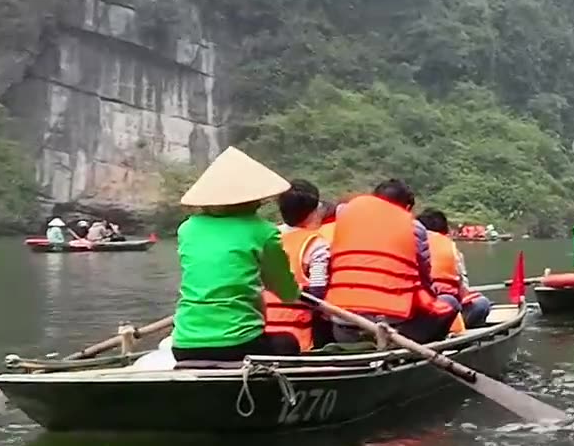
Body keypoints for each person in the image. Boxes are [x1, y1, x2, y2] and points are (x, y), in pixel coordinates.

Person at [170, 148, 306, 362]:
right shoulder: (263, 231)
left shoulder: (187, 229)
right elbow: (285, 291)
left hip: (183, 343)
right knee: (288, 342)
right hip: (239, 343)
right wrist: (295, 292)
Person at [306, 179, 458, 345]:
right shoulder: (414, 227)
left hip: (344, 329)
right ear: (407, 208)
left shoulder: (345, 217)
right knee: (450, 302)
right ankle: (418, 351)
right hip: (395, 332)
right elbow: (424, 280)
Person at [261, 179, 333, 352]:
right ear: (313, 211)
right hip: (297, 331)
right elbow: (318, 291)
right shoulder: (316, 244)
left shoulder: (268, 236)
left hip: (262, 327)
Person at [418, 209, 493, 329]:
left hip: (411, 312)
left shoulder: (407, 242)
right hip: (439, 311)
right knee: (482, 303)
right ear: (445, 231)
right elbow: (463, 287)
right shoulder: (451, 249)